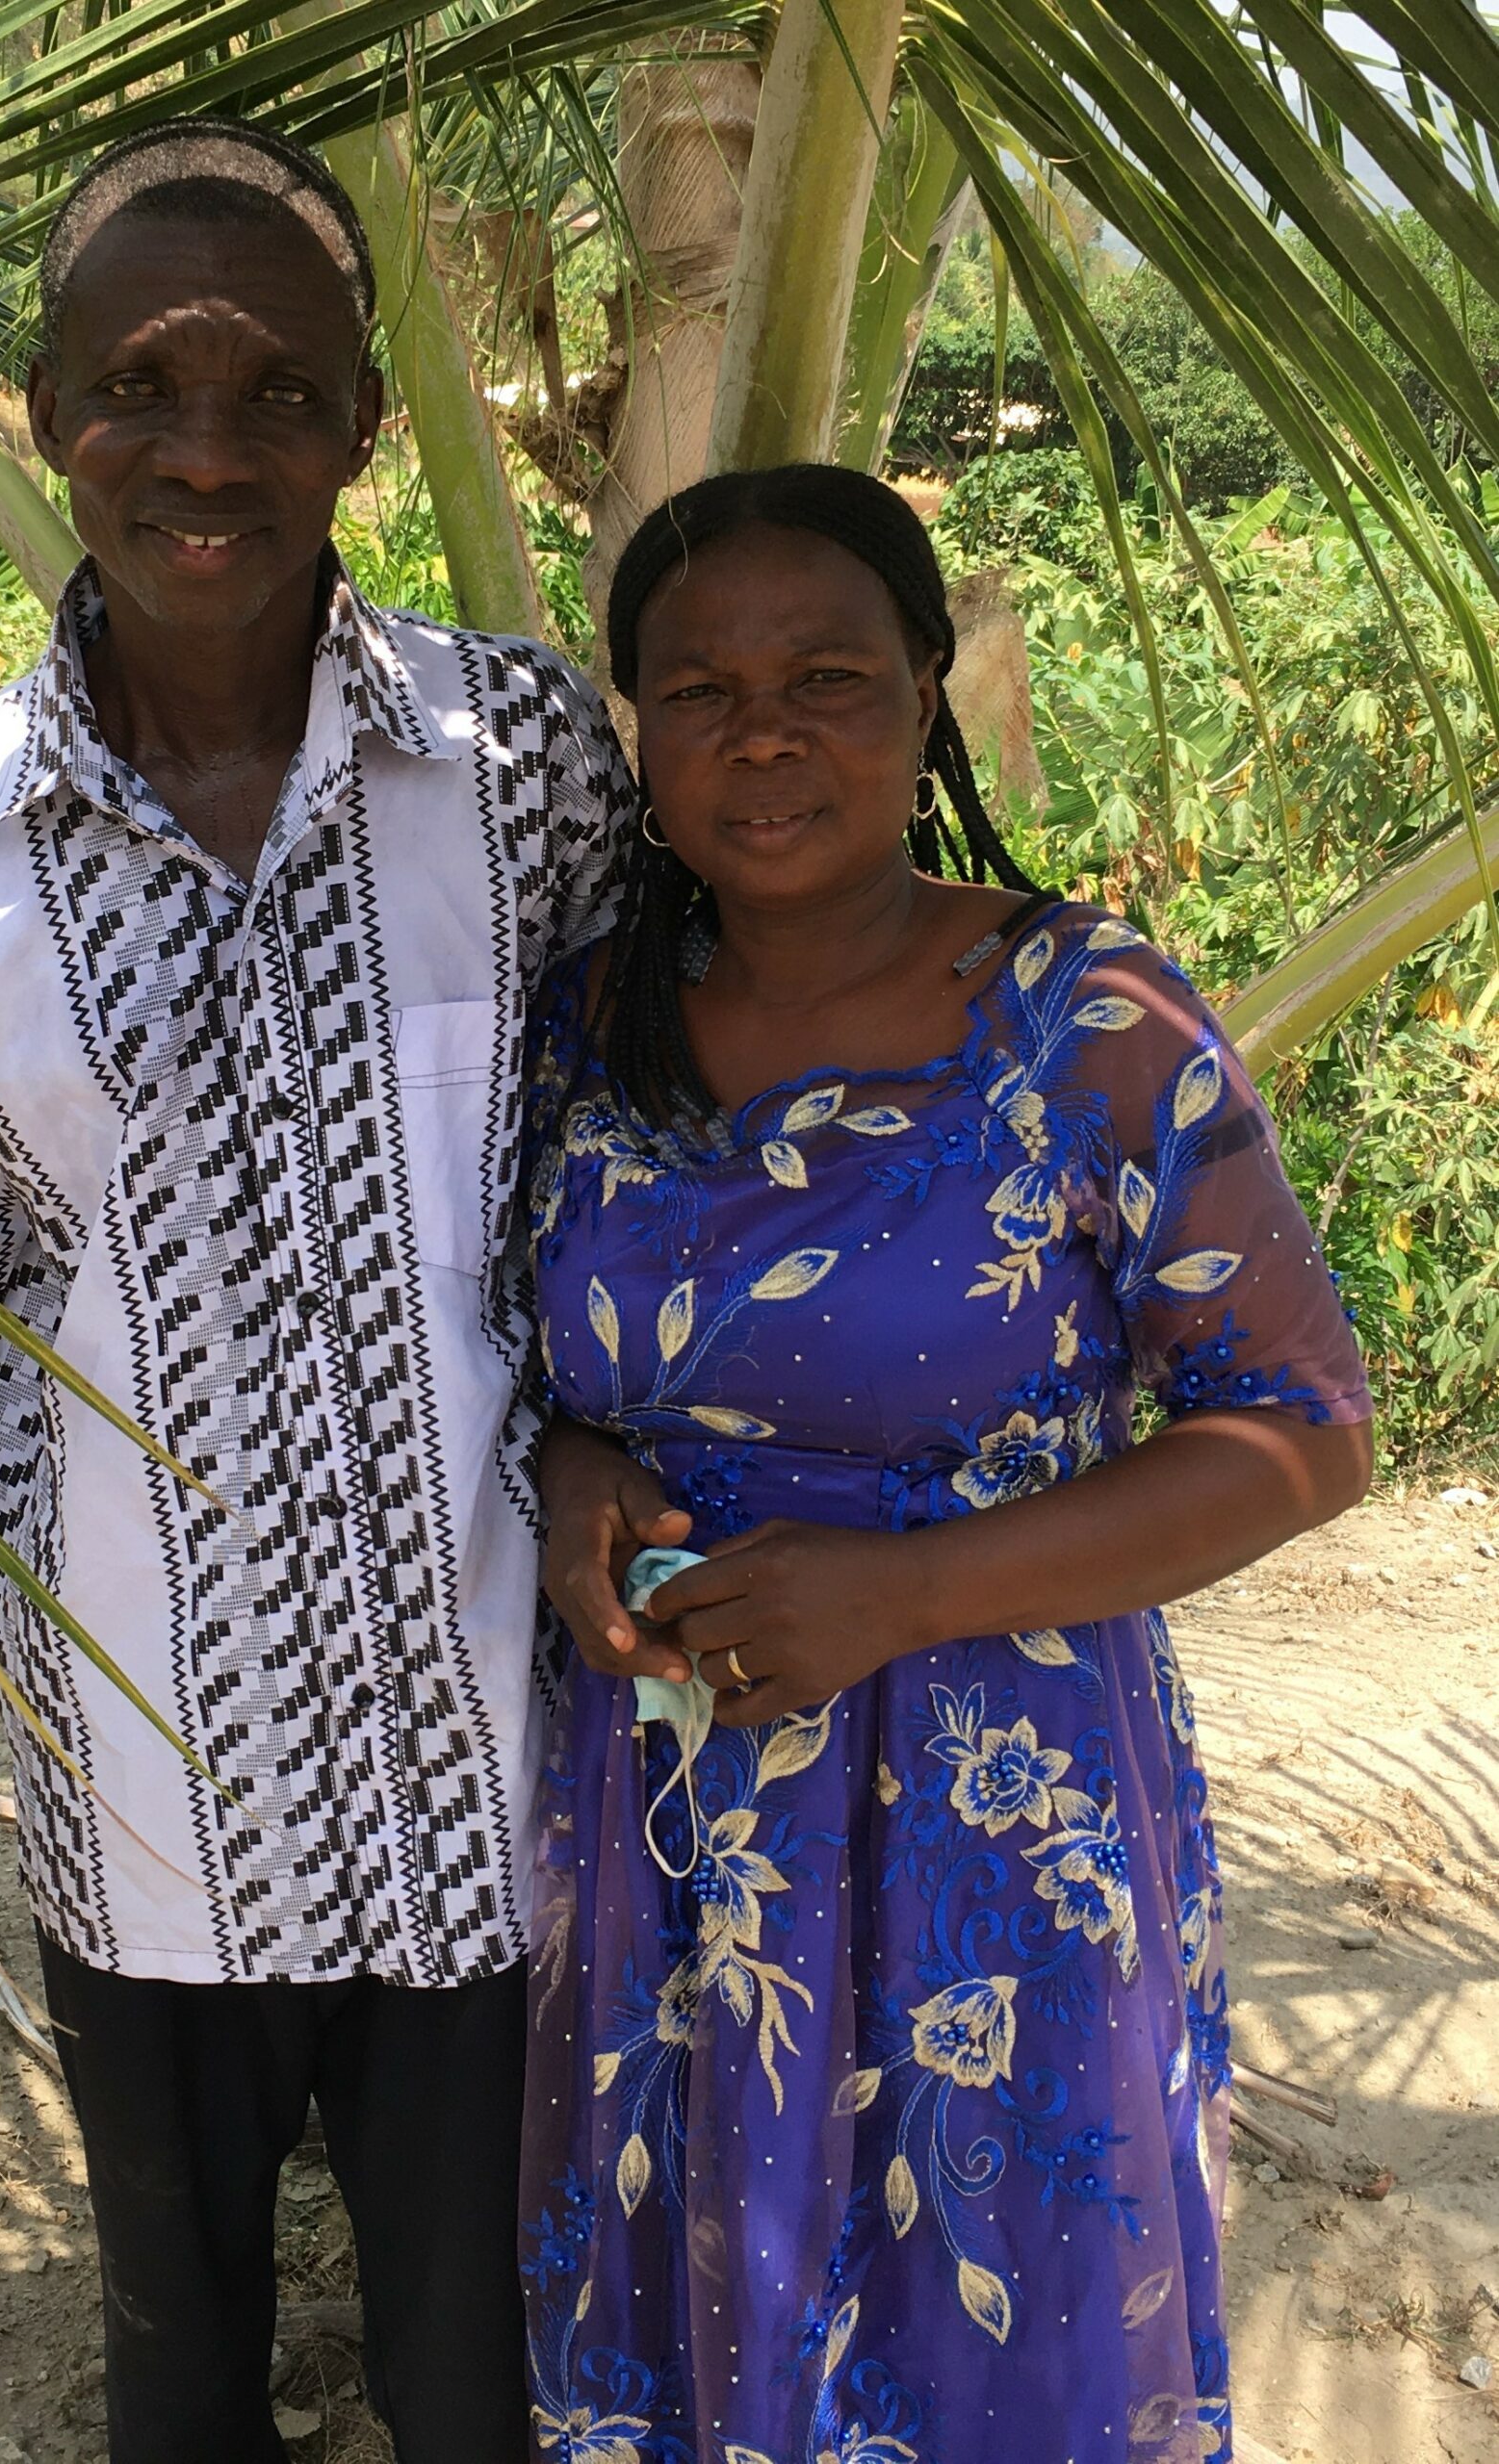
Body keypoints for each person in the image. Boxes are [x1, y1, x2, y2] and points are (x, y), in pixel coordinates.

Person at [0, 116, 633, 2464]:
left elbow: (634, 1162)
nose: (208, 451)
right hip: (143, 1776)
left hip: (484, 1755)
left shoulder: (524, 762)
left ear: (362, 425)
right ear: (50, 406)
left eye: (279, 392)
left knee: (484, 2375)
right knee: (180, 2364)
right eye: (140, 384)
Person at [522, 464, 1373, 2463]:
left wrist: (905, 1590)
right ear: (637, 732)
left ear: (929, 692)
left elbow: (1303, 1426)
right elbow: (537, 1359)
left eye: (826, 677)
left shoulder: (1090, 1021)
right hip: (670, 1806)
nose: (763, 734)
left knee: (995, 2306)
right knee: (698, 2302)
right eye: (699, 688)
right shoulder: (590, 1020)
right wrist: (567, 1471)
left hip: (1000, 1798)